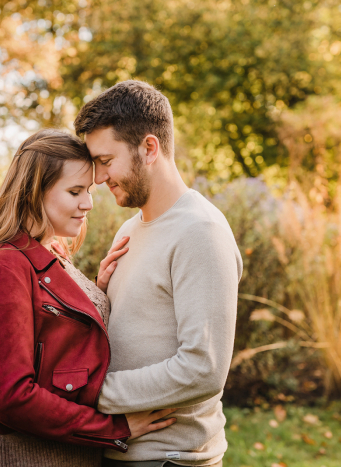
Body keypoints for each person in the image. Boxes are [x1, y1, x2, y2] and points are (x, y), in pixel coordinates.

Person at [0, 128, 177, 467]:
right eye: (75, 191)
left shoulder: (52, 252)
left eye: (88, 190)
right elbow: (11, 398)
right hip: (23, 455)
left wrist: (97, 292)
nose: (88, 203)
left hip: (71, 451)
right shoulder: (4, 267)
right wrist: (113, 429)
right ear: (35, 192)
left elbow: (55, 339)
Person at [74, 80, 244, 467]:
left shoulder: (200, 232)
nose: (98, 178)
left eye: (105, 160)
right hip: (120, 450)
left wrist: (90, 394)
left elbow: (203, 369)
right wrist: (100, 294)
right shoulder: (130, 228)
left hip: (169, 459)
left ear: (149, 148)